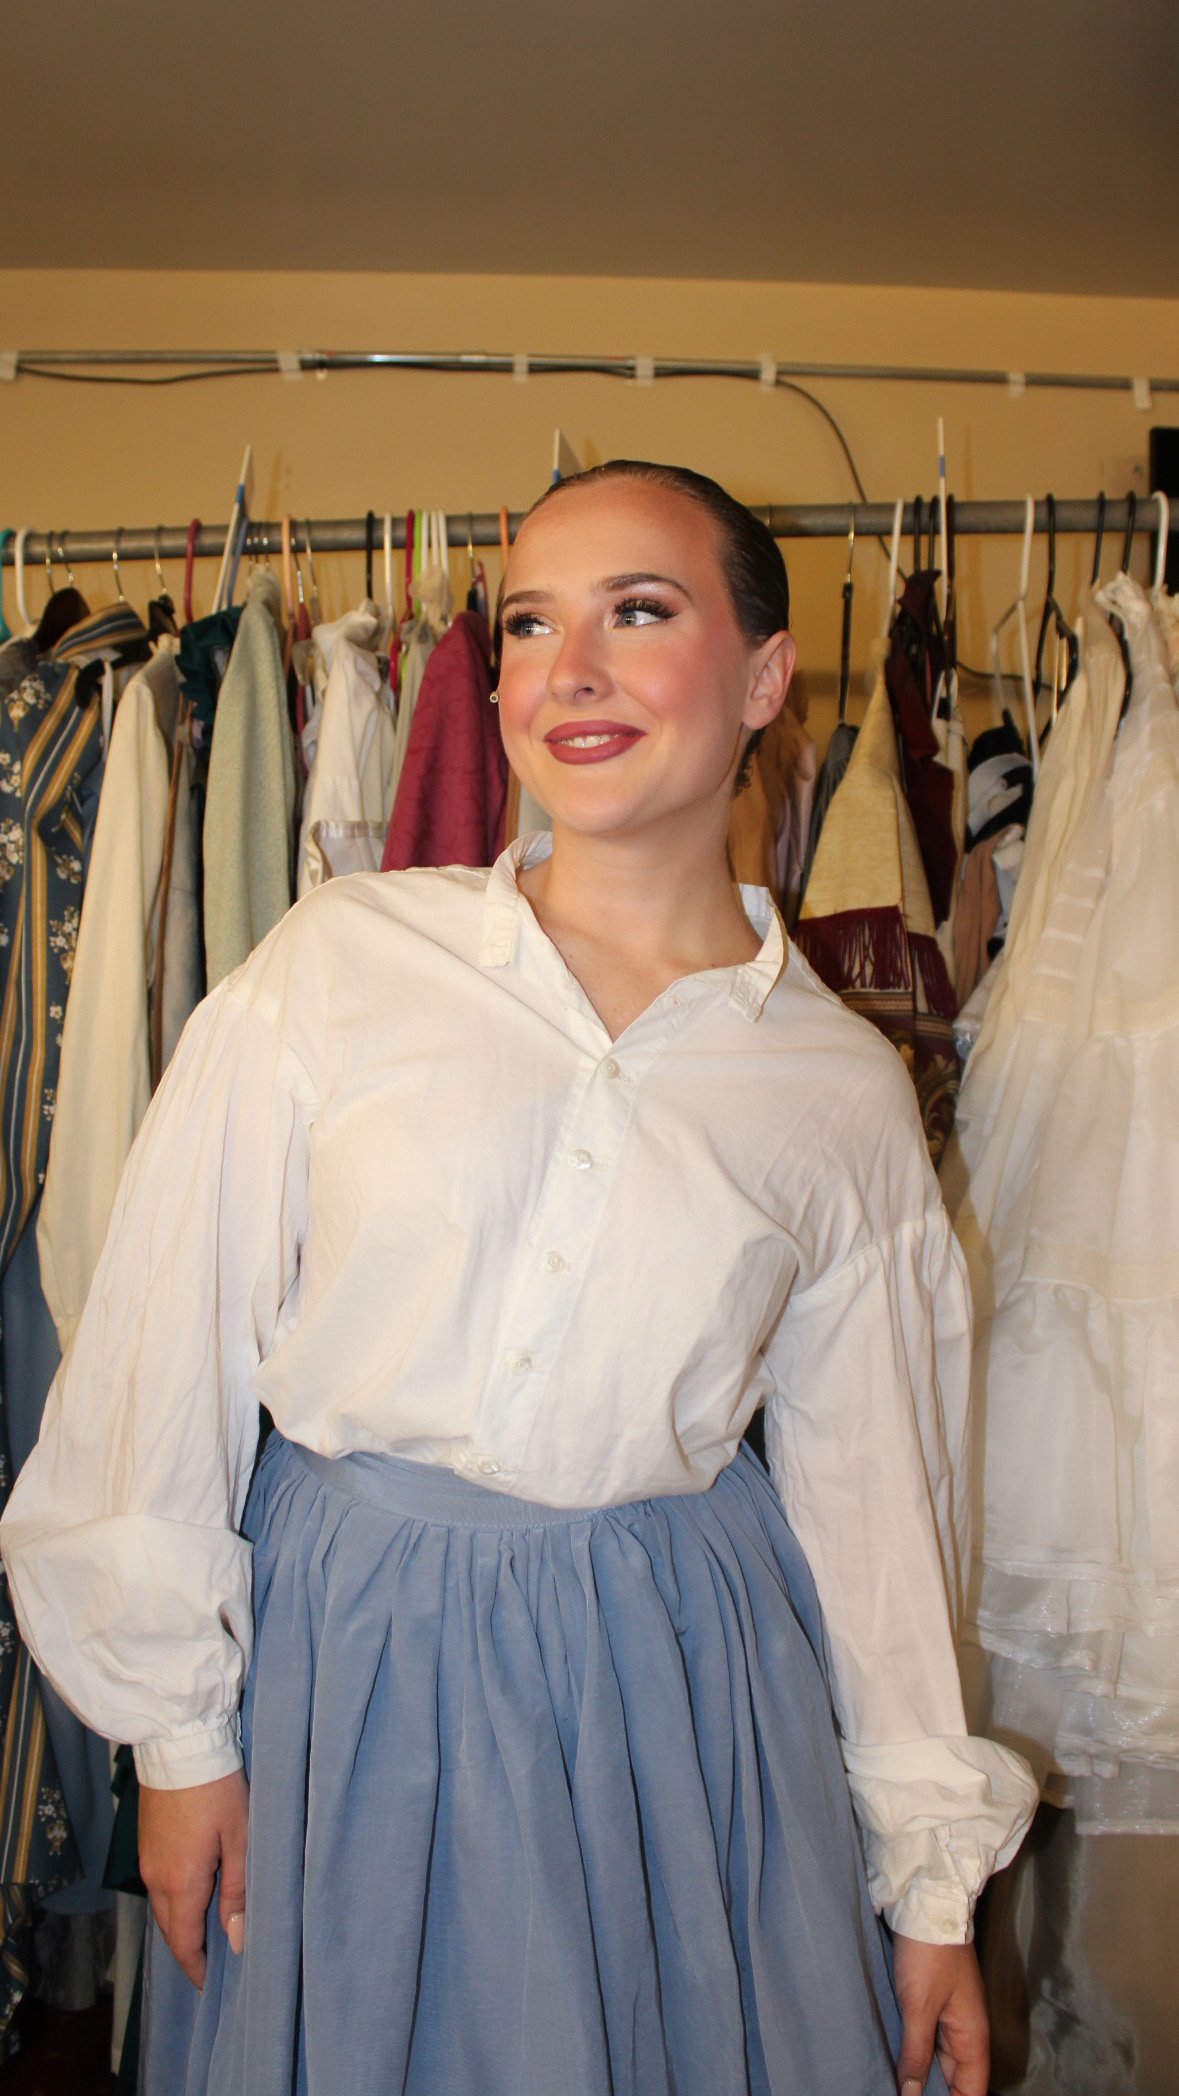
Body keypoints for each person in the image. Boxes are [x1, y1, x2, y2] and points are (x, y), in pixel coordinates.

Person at [1, 461, 1037, 2096]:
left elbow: (877, 1505)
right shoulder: (342, 962)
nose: (571, 669)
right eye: (535, 624)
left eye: (641, 611)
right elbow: (164, 1344)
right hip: (356, 1659)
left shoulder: (836, 1094)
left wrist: (931, 1899)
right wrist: (181, 1739)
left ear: (768, 678)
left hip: (685, 1687)